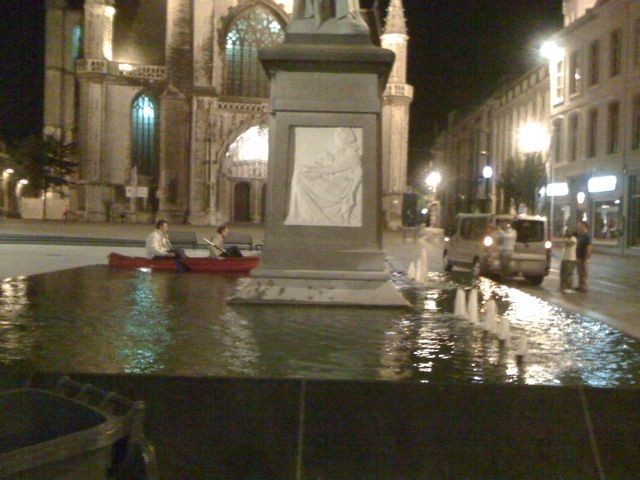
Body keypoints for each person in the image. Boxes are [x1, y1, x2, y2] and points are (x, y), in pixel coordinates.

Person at [575, 221, 592, 292]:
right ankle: (580, 286)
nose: (579, 228)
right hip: (579, 257)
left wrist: (587, 256)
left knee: (584, 272)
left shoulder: (587, 236)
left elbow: (589, 247)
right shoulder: (580, 235)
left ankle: (584, 287)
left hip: (584, 257)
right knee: (579, 272)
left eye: (580, 226)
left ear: (584, 227)